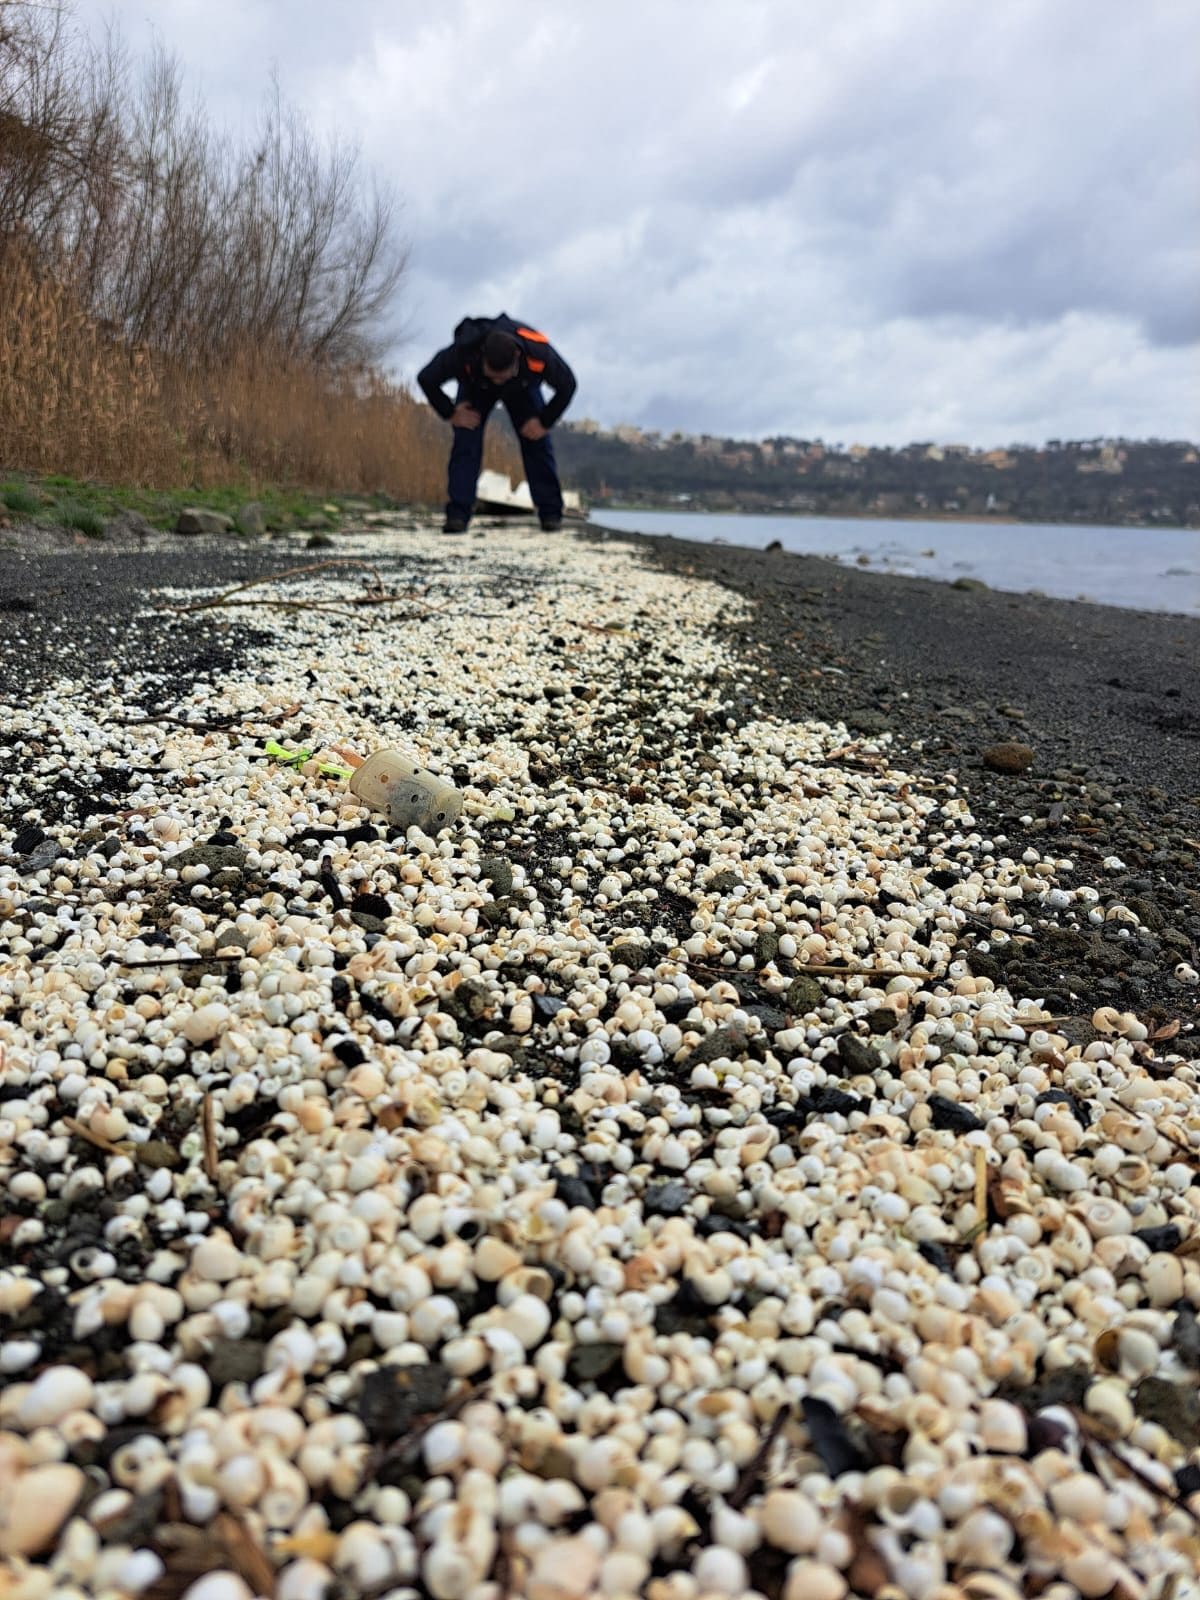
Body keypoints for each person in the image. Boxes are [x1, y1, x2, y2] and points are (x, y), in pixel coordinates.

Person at [417, 313, 577, 534]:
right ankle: (458, 515)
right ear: (482, 357)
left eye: (502, 376)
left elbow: (568, 384)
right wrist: (450, 413)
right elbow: (426, 378)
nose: (497, 381)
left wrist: (544, 422)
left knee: (537, 442)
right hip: (476, 388)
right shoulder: (463, 351)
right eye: (493, 375)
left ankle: (550, 515)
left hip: (522, 388)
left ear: (517, 357)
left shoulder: (537, 351)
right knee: (466, 440)